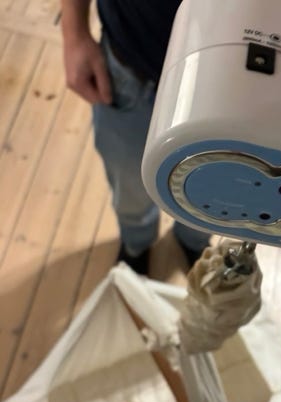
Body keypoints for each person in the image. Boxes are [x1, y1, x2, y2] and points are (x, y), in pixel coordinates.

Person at [60, 0, 211, 275]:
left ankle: (194, 241)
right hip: (128, 65)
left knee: (211, 194)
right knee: (130, 186)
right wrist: (75, 33)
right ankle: (137, 243)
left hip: (226, 89)